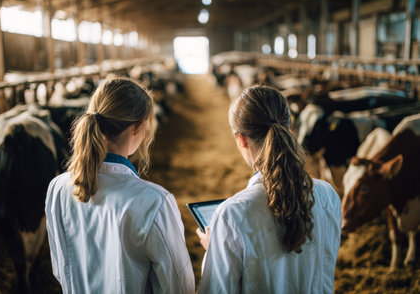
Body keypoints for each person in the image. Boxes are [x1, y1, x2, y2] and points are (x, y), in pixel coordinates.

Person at [45, 78, 195, 293]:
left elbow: (60, 268)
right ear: (139, 127)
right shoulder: (154, 201)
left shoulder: (58, 188)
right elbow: (179, 286)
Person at [196, 85, 342, 293]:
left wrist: (216, 250)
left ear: (241, 139)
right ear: (290, 128)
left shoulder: (232, 214)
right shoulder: (328, 195)